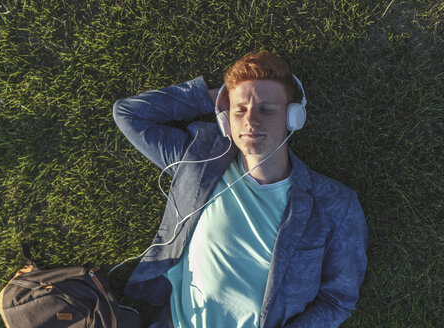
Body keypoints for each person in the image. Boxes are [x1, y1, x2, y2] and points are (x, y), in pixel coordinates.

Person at [113, 51, 368, 328]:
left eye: (266, 109)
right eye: (239, 110)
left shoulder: (335, 206)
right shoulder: (199, 161)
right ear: (225, 118)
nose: (251, 121)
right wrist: (214, 96)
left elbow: (337, 299)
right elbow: (129, 113)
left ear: (293, 117)